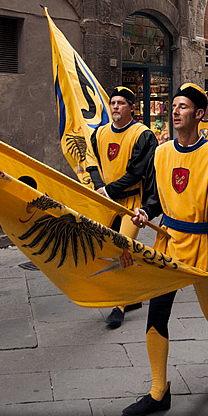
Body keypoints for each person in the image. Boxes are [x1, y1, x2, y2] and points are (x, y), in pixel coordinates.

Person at [123, 83, 208, 416]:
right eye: (173, 105)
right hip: (168, 244)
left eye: (183, 106)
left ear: (199, 114)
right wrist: (147, 212)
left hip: (204, 247)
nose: (175, 111)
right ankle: (159, 391)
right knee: (156, 315)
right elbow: (155, 196)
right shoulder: (161, 154)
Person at [88, 86, 158, 328]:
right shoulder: (99, 133)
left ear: (131, 107)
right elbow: (91, 162)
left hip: (130, 202)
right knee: (100, 246)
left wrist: (108, 190)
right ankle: (131, 295)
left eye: (120, 103)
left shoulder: (143, 135)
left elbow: (137, 172)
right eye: (112, 103)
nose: (115, 107)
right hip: (106, 201)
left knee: (122, 247)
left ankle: (118, 305)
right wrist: (100, 188)